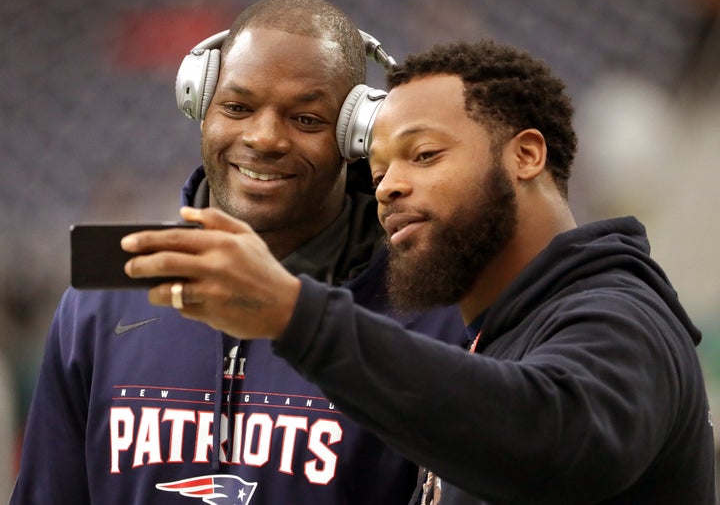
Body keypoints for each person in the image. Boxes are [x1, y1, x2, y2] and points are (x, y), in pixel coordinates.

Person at [118, 39, 716, 504]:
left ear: (526, 155)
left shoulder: (619, 314)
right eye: (377, 172)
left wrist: (295, 314)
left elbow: (555, 440)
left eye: (424, 154)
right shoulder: (497, 343)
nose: (390, 187)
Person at [10, 0, 467, 505]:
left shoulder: (432, 316)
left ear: (356, 135)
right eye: (237, 107)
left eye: (307, 119)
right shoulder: (107, 292)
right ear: (199, 102)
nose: (265, 137)